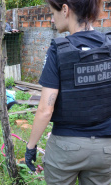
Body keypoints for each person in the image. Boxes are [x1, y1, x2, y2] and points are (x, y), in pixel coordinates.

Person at [25, 0, 111, 184]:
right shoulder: (109, 45)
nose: (52, 18)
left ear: (65, 9)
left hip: (66, 147)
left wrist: (31, 147)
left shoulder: (58, 49)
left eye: (52, 12)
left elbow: (45, 110)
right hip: (105, 149)